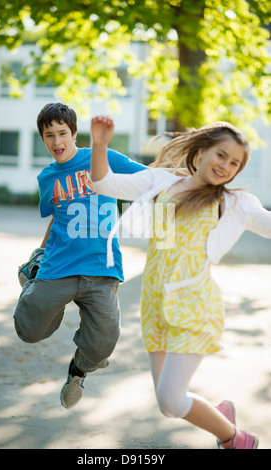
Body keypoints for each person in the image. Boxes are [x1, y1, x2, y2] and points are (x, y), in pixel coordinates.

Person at [90, 115, 271, 449]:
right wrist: (99, 145)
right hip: (156, 303)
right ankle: (223, 417)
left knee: (172, 399)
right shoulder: (160, 182)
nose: (226, 166)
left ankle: (238, 440)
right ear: (201, 151)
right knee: (168, 405)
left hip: (194, 305)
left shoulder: (232, 202)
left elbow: (267, 223)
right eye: (221, 155)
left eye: (235, 163)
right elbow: (104, 183)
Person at [14, 103, 146, 409]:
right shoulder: (48, 177)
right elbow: (58, 217)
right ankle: (33, 277)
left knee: (104, 343)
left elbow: (147, 178)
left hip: (102, 268)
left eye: (62, 133)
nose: (57, 141)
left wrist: (184, 178)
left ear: (74, 133)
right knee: (29, 331)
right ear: (43, 139)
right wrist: (40, 251)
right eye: (49, 135)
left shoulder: (102, 159)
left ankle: (78, 372)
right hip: (59, 266)